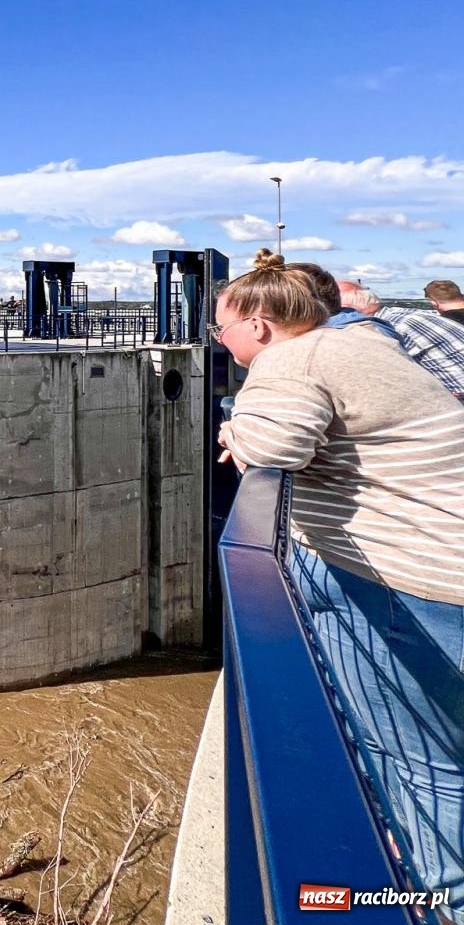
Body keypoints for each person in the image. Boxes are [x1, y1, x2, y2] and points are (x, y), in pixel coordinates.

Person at [217, 250, 464, 916]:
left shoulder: (291, 361)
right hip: (447, 559)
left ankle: (443, 902)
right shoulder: (355, 340)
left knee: (420, 764)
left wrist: (236, 426)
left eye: (222, 330)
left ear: (260, 325)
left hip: (408, 581)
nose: (221, 342)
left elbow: (273, 450)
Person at [341, 280, 464, 400]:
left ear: (347, 308)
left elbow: (380, 376)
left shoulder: (386, 328)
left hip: (457, 399)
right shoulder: (414, 314)